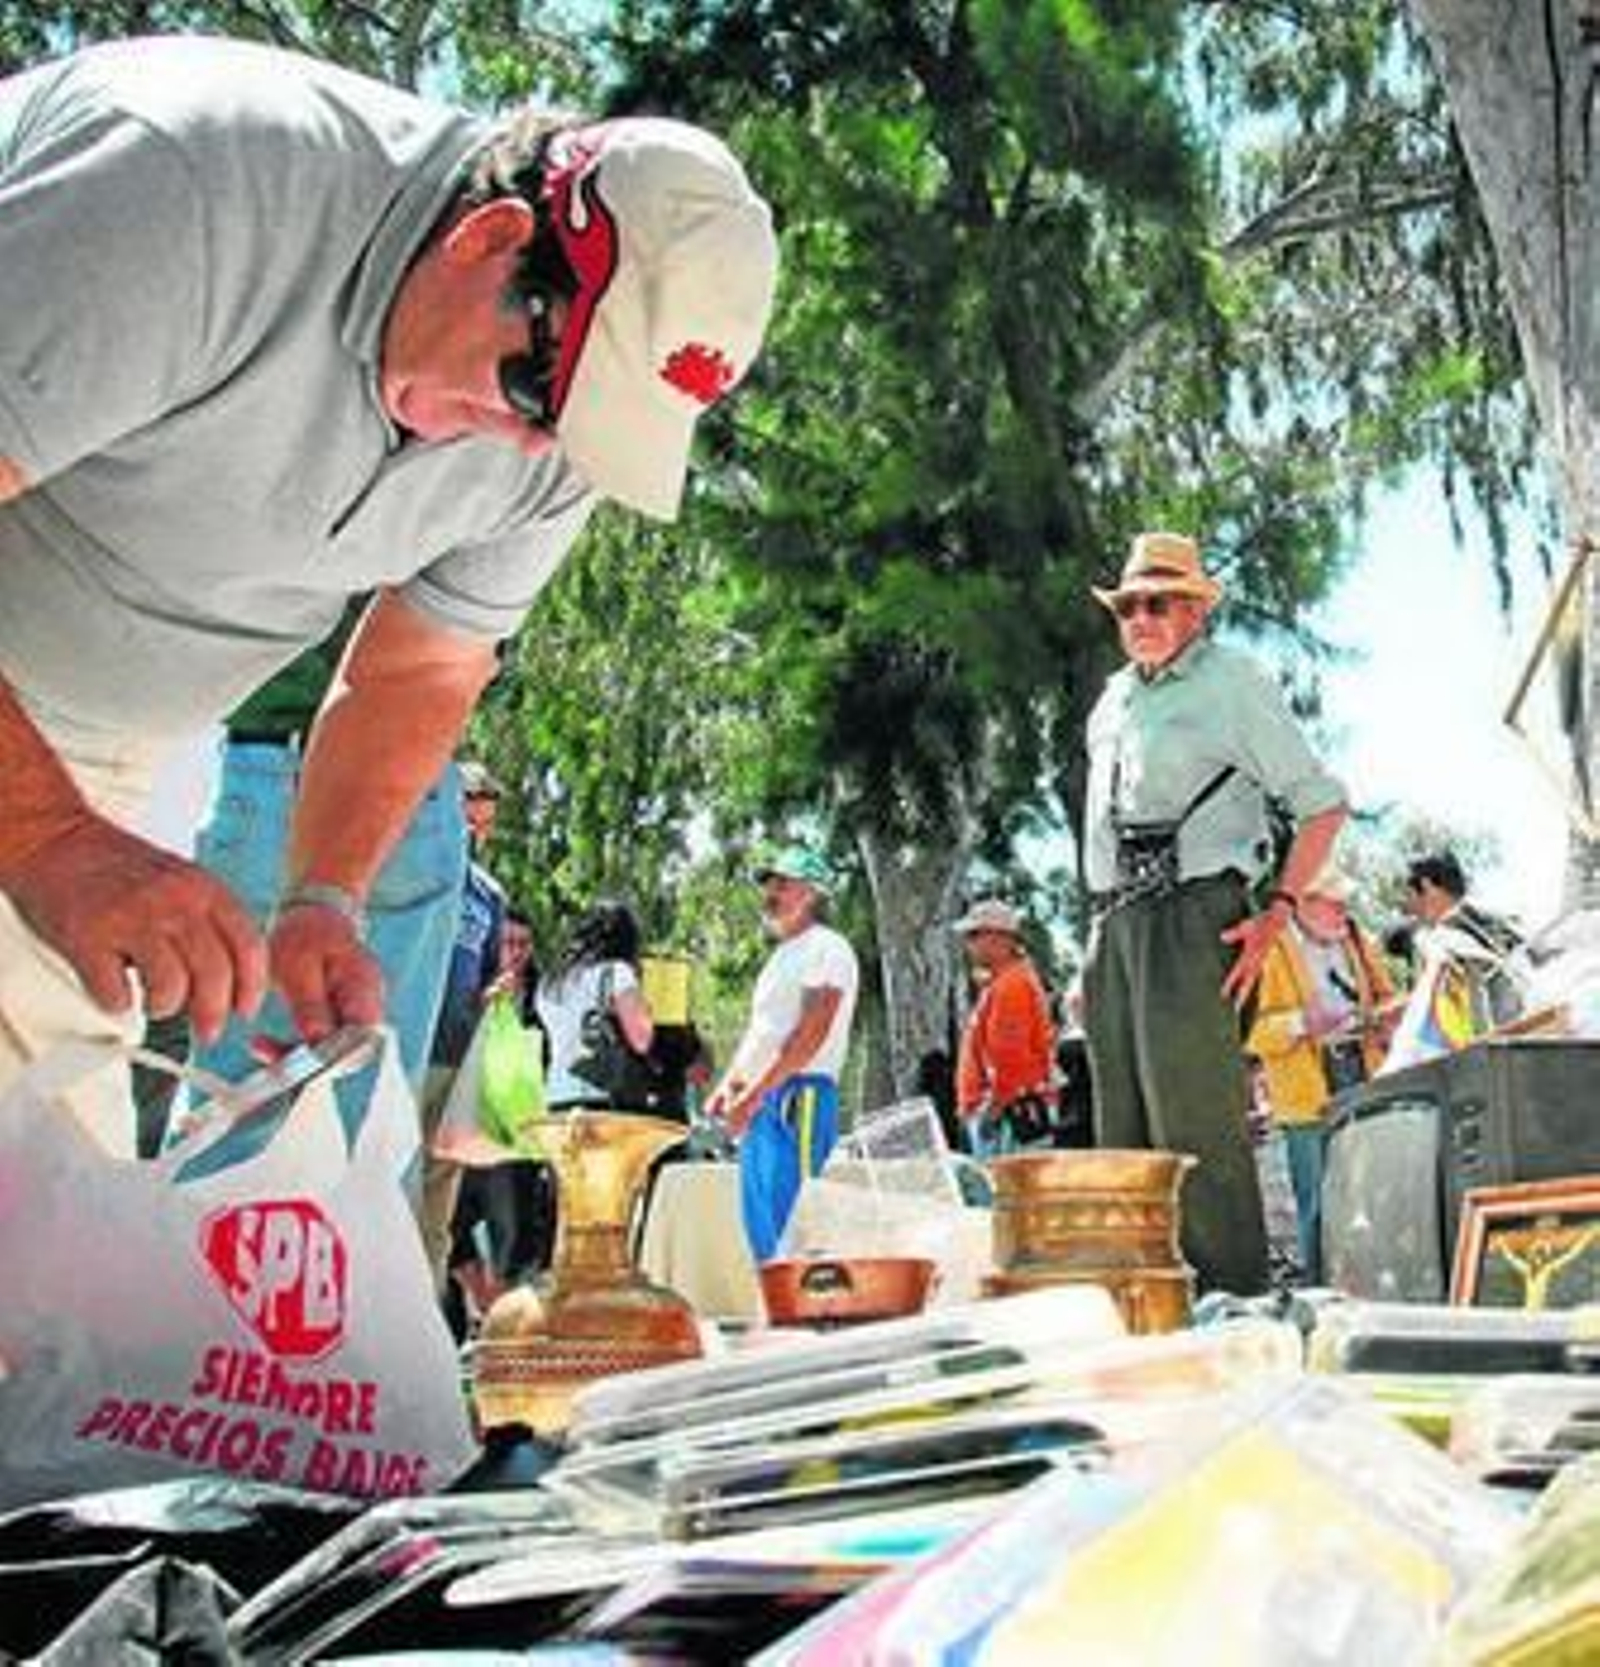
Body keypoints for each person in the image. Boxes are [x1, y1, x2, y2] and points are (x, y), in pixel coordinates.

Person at [0, 34, 778, 1141]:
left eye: (563, 427)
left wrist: (320, 896)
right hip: (31, 764)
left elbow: (424, 661)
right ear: (491, 235)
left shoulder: (547, 439)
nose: (520, 443)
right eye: (529, 387)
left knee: (36, 1232)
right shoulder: (195, 184)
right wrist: (47, 839)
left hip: (79, 761)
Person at [1079, 530, 1349, 1296]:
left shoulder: (1233, 682)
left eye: (1159, 601)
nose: (1141, 616)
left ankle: (1232, 1310)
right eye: (1129, 604)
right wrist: (1094, 946)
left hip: (1197, 918)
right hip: (1114, 923)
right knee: (1123, 1140)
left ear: (1196, 608)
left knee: (1197, 1133)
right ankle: (1142, 1312)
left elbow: (1321, 804)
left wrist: (1278, 913)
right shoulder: (1111, 698)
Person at [190, 597, 467, 1105]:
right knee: (371, 1117)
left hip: (269, 756)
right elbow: (467, 645)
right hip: (401, 778)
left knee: (231, 1111)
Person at [705, 846, 861, 1262]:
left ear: (811, 893)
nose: (771, 893)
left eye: (783, 884)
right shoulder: (779, 958)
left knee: (800, 1219)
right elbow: (764, 1032)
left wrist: (753, 1094)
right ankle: (781, 1312)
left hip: (800, 1096)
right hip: (762, 1100)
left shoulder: (827, 947)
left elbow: (811, 1032)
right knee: (764, 1224)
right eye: (769, 885)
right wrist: (730, 1085)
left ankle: (814, 1318)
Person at [1242, 865, 1396, 1283]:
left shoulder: (1358, 941)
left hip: (1363, 1072)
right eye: (1335, 903)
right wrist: (1300, 1023)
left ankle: (1379, 1281)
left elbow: (1384, 996)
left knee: (1374, 1193)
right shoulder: (1270, 950)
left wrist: (1385, 1017)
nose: (1344, 911)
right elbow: (1249, 1034)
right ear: (1304, 905)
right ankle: (1319, 1291)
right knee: (1317, 1203)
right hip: (1307, 1093)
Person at [419, 763, 509, 1281]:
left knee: (437, 1199)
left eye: (484, 824)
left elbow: (488, 973)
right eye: (469, 817)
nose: (476, 832)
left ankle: (422, 1312)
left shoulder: (488, 894)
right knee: (387, 1178)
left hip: (454, 1056)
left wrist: (493, 996)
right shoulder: (412, 870)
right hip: (404, 1043)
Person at [952, 899, 1059, 1158]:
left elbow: (1009, 1058)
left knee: (1005, 1195)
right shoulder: (1005, 982)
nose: (968, 944)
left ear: (1001, 939)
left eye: (974, 935)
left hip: (1010, 1118)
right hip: (1007, 1113)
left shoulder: (1012, 985)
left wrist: (993, 1110)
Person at [535, 900, 656, 1111]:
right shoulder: (617, 972)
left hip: (557, 1097)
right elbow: (641, 1039)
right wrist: (646, 1008)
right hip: (600, 1101)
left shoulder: (549, 982)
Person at [1404, 850, 1525, 1028]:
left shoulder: (1439, 940)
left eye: (1410, 893)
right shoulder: (1500, 919)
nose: (1409, 904)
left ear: (1427, 885)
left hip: (1498, 1046)